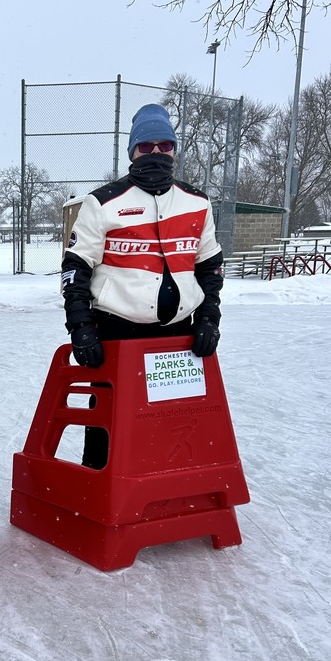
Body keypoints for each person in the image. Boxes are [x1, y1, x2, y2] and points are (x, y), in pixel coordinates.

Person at [61, 103, 224, 469]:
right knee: (108, 421)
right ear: (133, 150)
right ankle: (97, 485)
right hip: (117, 331)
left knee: (174, 418)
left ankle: (167, 487)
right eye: (146, 146)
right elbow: (75, 269)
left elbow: (210, 267)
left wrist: (209, 319)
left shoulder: (197, 202)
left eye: (165, 146)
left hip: (177, 333)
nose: (156, 152)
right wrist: (81, 327)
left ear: (174, 150)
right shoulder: (103, 202)